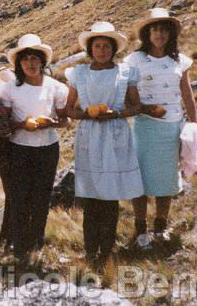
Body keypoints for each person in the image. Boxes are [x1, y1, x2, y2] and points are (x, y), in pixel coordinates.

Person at [64, 22, 144, 267]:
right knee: (91, 196)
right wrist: (87, 115)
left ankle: (107, 249)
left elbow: (136, 106)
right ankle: (90, 250)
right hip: (89, 135)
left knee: (110, 195)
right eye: (97, 46)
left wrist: (116, 114)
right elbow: (69, 109)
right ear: (90, 49)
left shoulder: (125, 73)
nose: (101, 50)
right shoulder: (79, 74)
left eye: (106, 46)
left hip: (115, 134)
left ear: (113, 49)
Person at [125, 8, 197, 248]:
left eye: (163, 30)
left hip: (172, 126)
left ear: (170, 34)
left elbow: (186, 93)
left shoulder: (179, 60)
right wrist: (143, 108)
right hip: (145, 126)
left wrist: (194, 123)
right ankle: (140, 229)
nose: (159, 34)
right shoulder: (134, 60)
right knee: (141, 179)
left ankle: (160, 226)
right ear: (147, 33)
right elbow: (127, 94)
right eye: (155, 29)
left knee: (166, 178)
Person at [0, 34, 68, 262]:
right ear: (19, 63)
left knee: (42, 197)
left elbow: (65, 121)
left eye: (34, 58)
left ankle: (36, 243)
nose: (30, 63)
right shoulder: (9, 90)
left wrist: (51, 123)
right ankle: (18, 246)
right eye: (25, 59)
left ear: (42, 61)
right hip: (19, 149)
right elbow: (4, 124)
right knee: (19, 197)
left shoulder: (55, 87)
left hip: (48, 148)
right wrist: (21, 124)